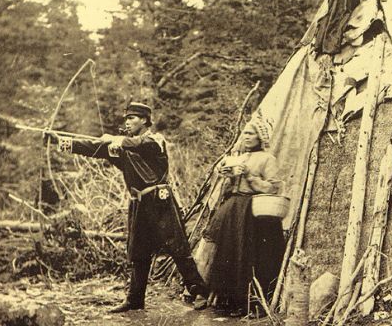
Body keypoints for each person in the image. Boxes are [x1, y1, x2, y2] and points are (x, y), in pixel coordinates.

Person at [44, 102, 209, 313]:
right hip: (138, 204)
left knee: (176, 247)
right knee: (138, 251)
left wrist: (116, 140)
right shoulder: (123, 147)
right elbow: (91, 148)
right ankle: (135, 300)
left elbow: (141, 144)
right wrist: (59, 141)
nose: (127, 122)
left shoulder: (154, 140)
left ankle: (199, 291)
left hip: (160, 202)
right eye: (126, 118)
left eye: (132, 118)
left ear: (144, 120)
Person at [203, 114, 286, 317]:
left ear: (260, 137)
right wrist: (227, 175)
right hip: (234, 210)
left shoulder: (267, 159)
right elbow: (228, 186)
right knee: (229, 253)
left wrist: (249, 175)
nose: (246, 136)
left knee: (250, 255)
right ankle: (229, 299)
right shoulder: (236, 156)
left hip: (254, 212)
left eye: (251, 133)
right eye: (245, 133)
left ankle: (250, 303)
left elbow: (273, 188)